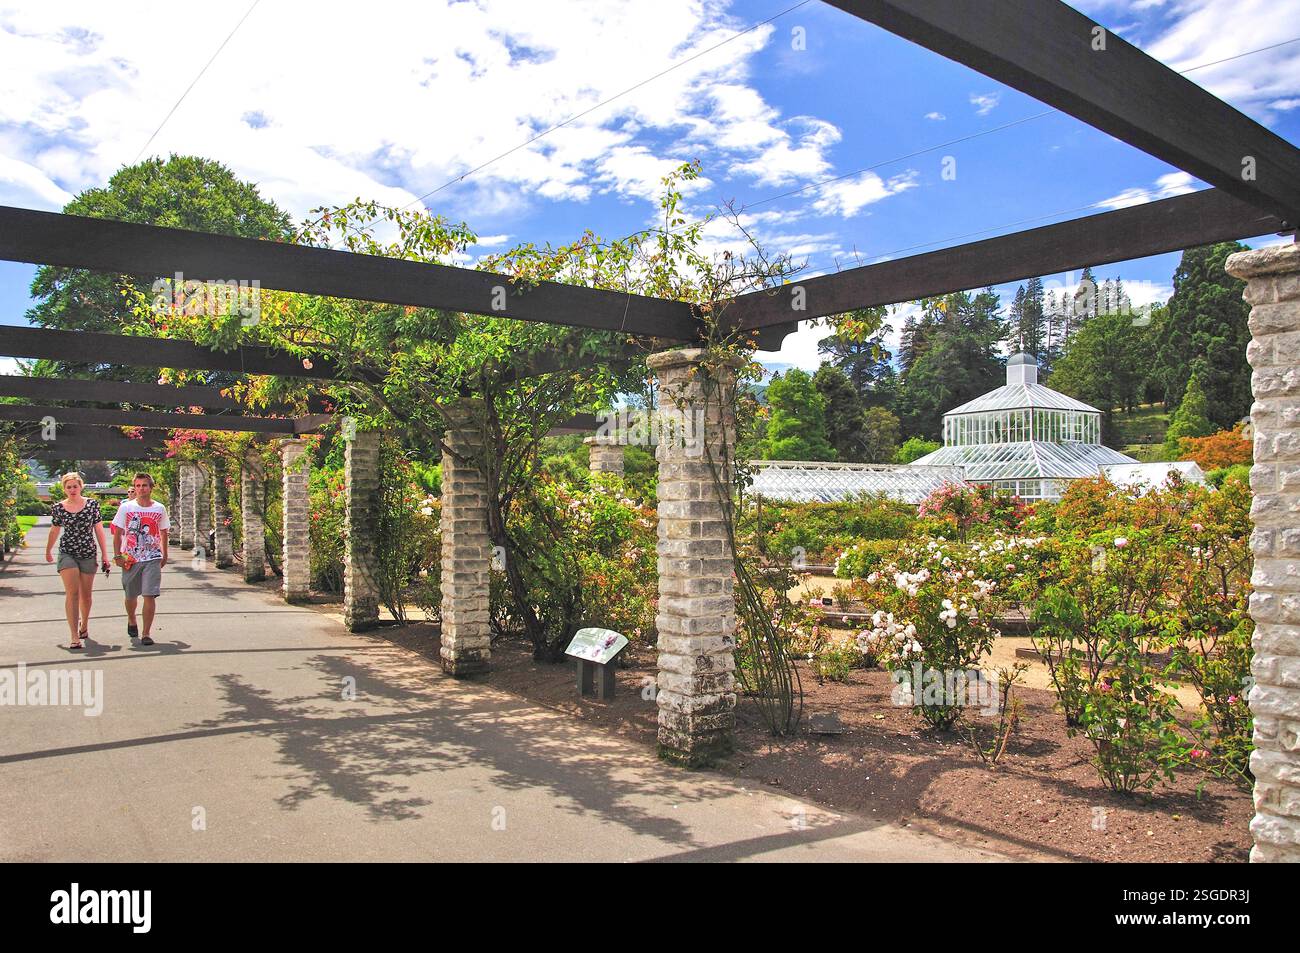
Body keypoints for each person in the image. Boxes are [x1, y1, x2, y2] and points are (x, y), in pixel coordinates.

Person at [45, 472, 111, 650]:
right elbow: (54, 530)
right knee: (72, 593)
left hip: (88, 552)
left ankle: (84, 625)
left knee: (86, 595)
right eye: (69, 487)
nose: (72, 490)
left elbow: (98, 530)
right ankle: (74, 636)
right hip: (68, 553)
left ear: (81, 486)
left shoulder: (92, 505)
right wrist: (48, 550)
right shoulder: (59, 507)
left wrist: (105, 554)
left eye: (75, 486)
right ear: (64, 489)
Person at [111, 472, 170, 646]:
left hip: (152, 556)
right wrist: (117, 555)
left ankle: (146, 633)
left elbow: (164, 531)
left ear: (151, 488)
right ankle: (131, 619)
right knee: (130, 595)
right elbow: (118, 532)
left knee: (149, 594)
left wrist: (164, 553)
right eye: (137, 486)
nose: (141, 489)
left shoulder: (159, 508)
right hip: (131, 557)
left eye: (144, 485)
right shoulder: (126, 508)